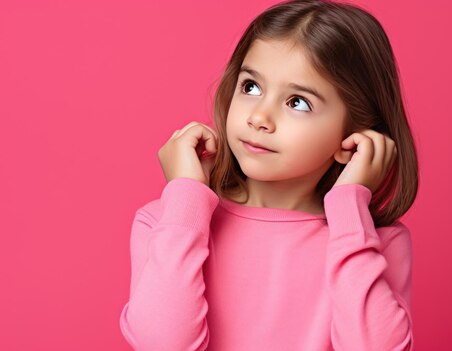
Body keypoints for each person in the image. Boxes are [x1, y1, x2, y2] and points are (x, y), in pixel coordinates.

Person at [119, 0, 419, 350]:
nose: (259, 116)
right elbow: (162, 344)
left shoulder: (373, 241)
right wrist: (185, 196)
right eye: (251, 87)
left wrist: (350, 205)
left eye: (298, 102)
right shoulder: (165, 221)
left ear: (353, 136)